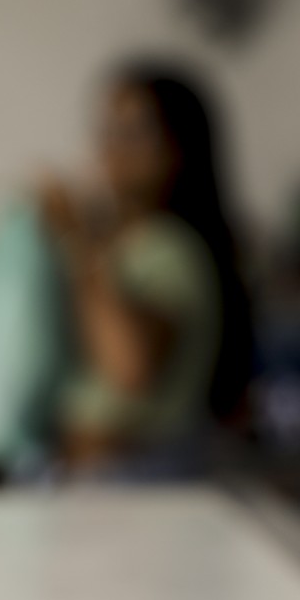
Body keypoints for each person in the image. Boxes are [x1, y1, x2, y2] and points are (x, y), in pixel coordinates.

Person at [41, 62, 251, 479]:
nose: (112, 148)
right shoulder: (121, 244)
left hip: (140, 477)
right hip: (101, 477)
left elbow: (129, 368)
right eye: (108, 130)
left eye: (133, 132)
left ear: (178, 148)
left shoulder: (170, 247)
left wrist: (76, 244)